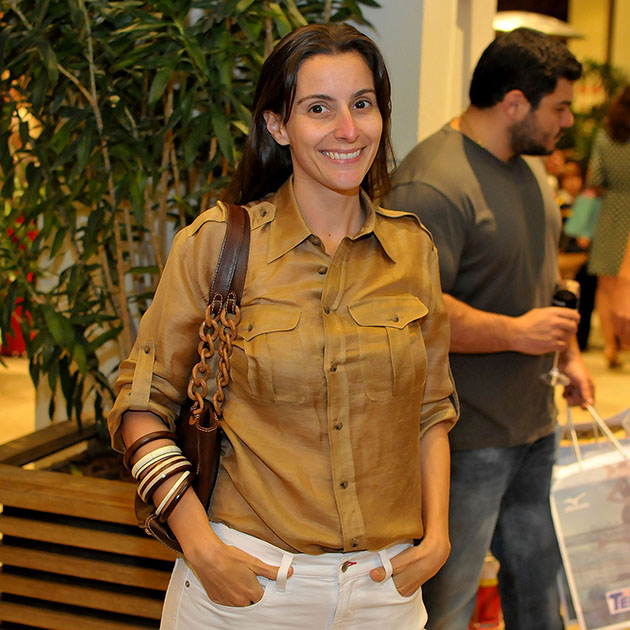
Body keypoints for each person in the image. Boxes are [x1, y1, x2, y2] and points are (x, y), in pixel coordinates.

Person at [107, 22, 459, 630]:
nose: (347, 129)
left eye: (362, 104)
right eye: (319, 108)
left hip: (386, 589)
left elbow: (431, 409)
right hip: (249, 589)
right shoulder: (217, 244)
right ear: (278, 125)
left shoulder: (411, 249)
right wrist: (201, 547)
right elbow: (140, 409)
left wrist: (438, 538)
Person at [384, 27, 594, 630]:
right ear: (515, 103)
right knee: (446, 605)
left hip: (533, 424)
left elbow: (537, 275)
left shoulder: (528, 170)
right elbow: (411, 311)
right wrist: (515, 333)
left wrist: (568, 354)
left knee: (538, 589)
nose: (568, 122)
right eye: (560, 107)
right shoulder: (432, 183)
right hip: (464, 438)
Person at [586, 85, 630, 368]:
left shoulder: (604, 137)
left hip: (611, 210)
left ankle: (610, 347)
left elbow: (595, 178)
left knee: (605, 284)